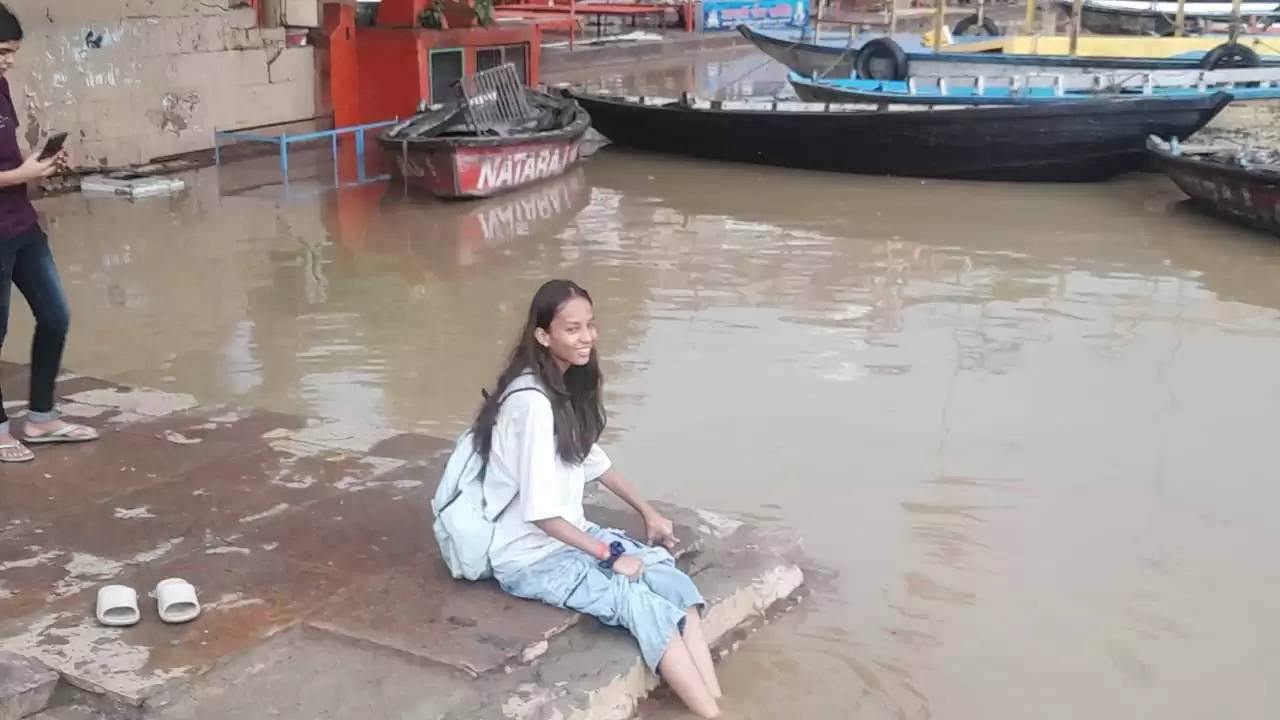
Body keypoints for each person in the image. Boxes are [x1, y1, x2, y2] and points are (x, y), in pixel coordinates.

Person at [474, 279, 723, 718]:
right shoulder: (531, 403)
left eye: (590, 325)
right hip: (530, 557)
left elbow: (590, 460)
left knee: (674, 585)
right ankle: (712, 715)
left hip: (571, 538)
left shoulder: (564, 386)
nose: (586, 337)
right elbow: (541, 514)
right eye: (572, 329)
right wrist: (610, 556)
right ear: (543, 335)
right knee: (642, 604)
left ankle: (716, 701)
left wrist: (648, 512)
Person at [0, 2, 98, 463]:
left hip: (22, 225)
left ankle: (41, 417)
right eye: (1, 51)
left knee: (55, 317)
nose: (8, 61)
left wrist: (36, 167)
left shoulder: (0, 88)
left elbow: (9, 160)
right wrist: (22, 175)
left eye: (12, 52)